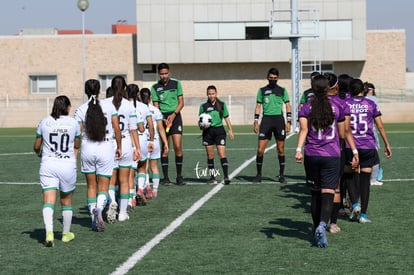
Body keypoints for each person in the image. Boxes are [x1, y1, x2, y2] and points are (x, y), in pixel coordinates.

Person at [295, 74, 359, 248]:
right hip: (331, 154)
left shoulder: (306, 107)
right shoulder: (337, 106)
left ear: (313, 88)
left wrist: (299, 150)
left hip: (311, 154)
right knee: (328, 191)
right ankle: (324, 224)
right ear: (328, 88)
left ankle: (316, 227)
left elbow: (303, 130)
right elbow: (341, 134)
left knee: (315, 192)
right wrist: (354, 151)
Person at [74, 79, 122, 232]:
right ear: (99, 90)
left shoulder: (81, 109)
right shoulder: (109, 106)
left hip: (88, 147)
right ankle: (99, 210)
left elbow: (77, 133)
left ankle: (94, 218)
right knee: (103, 186)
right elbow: (116, 128)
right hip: (105, 147)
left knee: (91, 186)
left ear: (86, 91)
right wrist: (119, 146)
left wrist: (74, 152)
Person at [34, 95, 81, 247]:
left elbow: (36, 146)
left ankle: (49, 232)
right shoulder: (74, 123)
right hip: (66, 165)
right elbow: (77, 144)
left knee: (48, 200)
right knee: (66, 201)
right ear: (67, 107)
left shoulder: (44, 121)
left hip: (48, 164)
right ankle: (66, 234)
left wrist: (40, 153)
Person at [344, 78, 392, 223]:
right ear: (363, 90)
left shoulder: (345, 104)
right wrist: (387, 144)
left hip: (350, 146)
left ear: (350, 90)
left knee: (349, 175)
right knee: (365, 181)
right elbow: (380, 126)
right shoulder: (371, 104)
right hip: (368, 146)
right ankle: (363, 215)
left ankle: (355, 203)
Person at [104, 76, 141, 222]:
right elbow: (133, 129)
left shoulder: (104, 103)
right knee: (124, 180)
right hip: (125, 144)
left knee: (110, 180)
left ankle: (112, 202)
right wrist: (137, 148)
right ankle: (122, 213)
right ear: (125, 88)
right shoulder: (129, 105)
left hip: (109, 144)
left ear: (111, 88)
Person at [253, 67, 291, 183]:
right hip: (266, 120)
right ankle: (259, 175)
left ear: (278, 78)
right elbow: (258, 106)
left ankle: (281, 175)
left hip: (279, 120)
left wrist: (289, 121)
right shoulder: (262, 90)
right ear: (267, 78)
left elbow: (288, 105)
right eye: (271, 78)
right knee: (260, 150)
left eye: (275, 78)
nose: (273, 80)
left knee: (280, 149)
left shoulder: (282, 90)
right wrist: (255, 121)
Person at [151, 63, 185, 185]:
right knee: (165, 148)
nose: (164, 76)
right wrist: (162, 118)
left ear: (169, 72)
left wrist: (174, 115)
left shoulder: (176, 84)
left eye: (166, 73)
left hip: (175, 118)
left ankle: (179, 176)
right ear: (159, 74)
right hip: (163, 119)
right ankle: (165, 178)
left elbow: (181, 103)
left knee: (177, 146)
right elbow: (156, 106)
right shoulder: (154, 87)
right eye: (161, 74)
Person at [198, 85, 234, 185]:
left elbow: (226, 117)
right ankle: (212, 177)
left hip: (219, 132)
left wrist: (230, 130)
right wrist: (202, 126)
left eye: (213, 93)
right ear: (207, 94)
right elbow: (200, 121)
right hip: (207, 133)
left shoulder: (222, 104)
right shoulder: (203, 106)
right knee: (210, 155)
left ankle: (226, 176)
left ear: (216, 93)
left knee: (222, 154)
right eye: (209, 94)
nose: (211, 95)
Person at [128, 84, 154, 205]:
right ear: (138, 93)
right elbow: (147, 126)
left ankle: (131, 197)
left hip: (128, 141)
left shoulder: (123, 106)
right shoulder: (144, 107)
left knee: (129, 171)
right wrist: (151, 140)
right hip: (142, 140)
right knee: (142, 167)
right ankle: (140, 189)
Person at [140, 88, 169, 197]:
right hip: (155, 141)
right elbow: (161, 128)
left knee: (143, 167)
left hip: (143, 141)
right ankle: (155, 190)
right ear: (151, 97)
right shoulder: (155, 110)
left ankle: (146, 187)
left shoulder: (138, 109)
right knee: (154, 167)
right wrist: (165, 142)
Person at [364, 82, 384, 186]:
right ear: (370, 90)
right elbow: (378, 122)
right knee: (374, 156)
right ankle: (374, 178)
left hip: (355, 133)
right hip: (369, 132)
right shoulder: (372, 100)